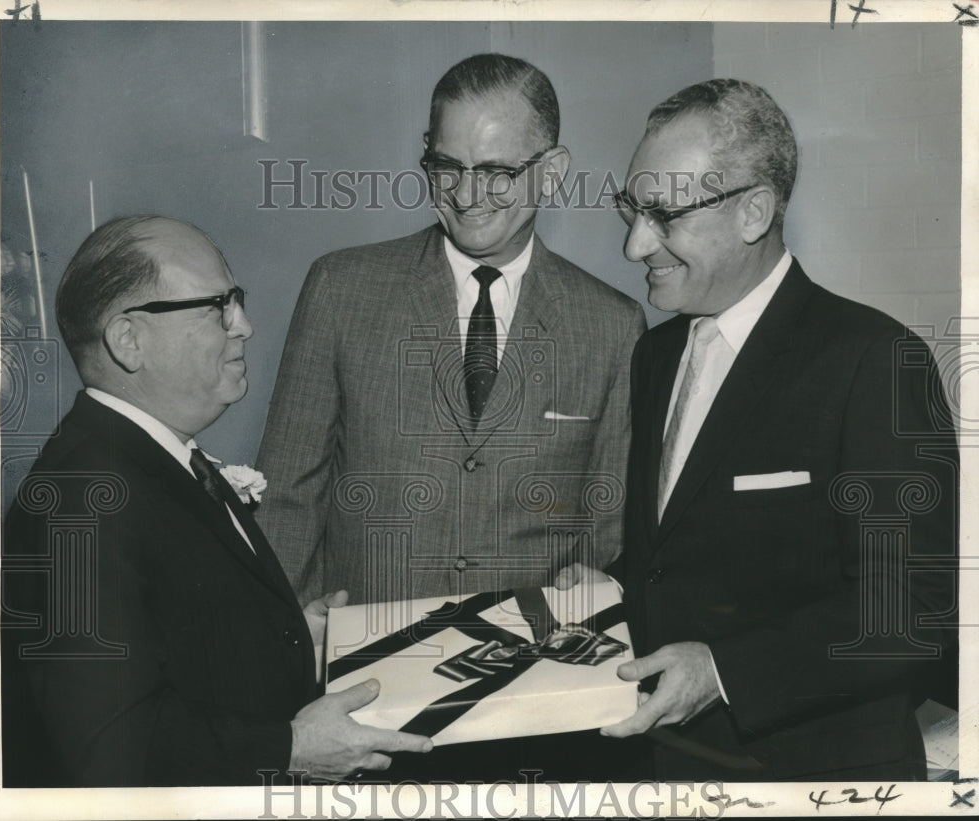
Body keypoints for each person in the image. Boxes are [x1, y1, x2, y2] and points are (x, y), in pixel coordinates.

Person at [560, 78, 958, 781]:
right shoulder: (655, 355)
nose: (633, 244)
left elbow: (912, 610)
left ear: (753, 211)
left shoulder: (872, 358)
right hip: (669, 766)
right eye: (630, 207)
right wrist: (605, 591)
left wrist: (723, 671)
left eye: (662, 214)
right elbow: (681, 552)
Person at [0, 215, 432, 787]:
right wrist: (291, 748)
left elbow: (173, 638)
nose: (245, 326)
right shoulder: (80, 500)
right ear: (130, 340)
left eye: (238, 300)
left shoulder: (152, 460)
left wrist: (290, 636)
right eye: (217, 306)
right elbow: (110, 740)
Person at [256, 53, 646, 608]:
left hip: (533, 671)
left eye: (496, 172)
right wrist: (292, 646)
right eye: (447, 167)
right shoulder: (341, 290)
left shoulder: (613, 324)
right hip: (366, 665)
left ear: (553, 171)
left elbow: (608, 533)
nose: (466, 196)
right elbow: (287, 500)